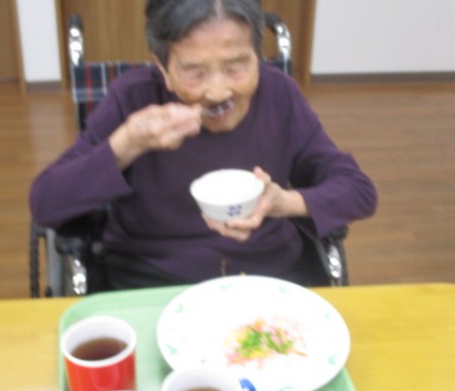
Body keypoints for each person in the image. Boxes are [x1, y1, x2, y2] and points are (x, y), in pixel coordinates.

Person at [29, 0, 377, 290]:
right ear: (163, 68)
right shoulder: (133, 100)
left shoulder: (280, 95)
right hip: (151, 282)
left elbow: (359, 191)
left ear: (258, 56)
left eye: (236, 67)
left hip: (267, 278)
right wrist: (125, 146)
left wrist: (283, 202)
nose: (218, 91)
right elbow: (45, 202)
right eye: (195, 72)